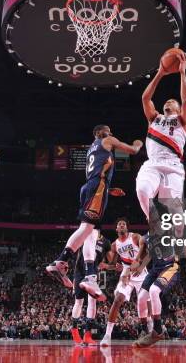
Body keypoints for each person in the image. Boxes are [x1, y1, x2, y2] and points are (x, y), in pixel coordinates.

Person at [46, 125, 142, 301]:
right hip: (97, 188)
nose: (111, 133)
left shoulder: (92, 149)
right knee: (87, 227)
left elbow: (97, 172)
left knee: (93, 232)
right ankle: (60, 261)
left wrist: (109, 189)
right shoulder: (107, 140)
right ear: (100, 133)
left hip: (93, 187)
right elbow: (133, 150)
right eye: (109, 130)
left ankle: (90, 277)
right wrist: (138, 143)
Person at [131, 218, 186, 347]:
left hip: (170, 267)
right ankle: (144, 330)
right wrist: (140, 265)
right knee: (141, 297)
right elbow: (147, 255)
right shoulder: (145, 238)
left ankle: (157, 331)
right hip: (155, 269)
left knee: (154, 291)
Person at [136, 51, 186, 224]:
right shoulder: (155, 118)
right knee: (142, 190)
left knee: (174, 210)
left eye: (172, 102)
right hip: (152, 163)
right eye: (166, 101)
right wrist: (160, 73)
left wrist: (182, 73)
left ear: (178, 108)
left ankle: (179, 237)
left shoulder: (182, 120)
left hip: (173, 165)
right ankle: (153, 221)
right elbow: (145, 98)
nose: (168, 102)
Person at [101, 217, 148, 347]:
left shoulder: (135, 237)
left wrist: (140, 265)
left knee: (144, 304)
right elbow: (112, 262)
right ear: (116, 229)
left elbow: (146, 252)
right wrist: (112, 266)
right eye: (119, 224)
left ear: (127, 227)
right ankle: (107, 335)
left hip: (140, 272)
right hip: (126, 273)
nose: (121, 225)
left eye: (124, 224)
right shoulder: (115, 245)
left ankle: (149, 329)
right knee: (117, 300)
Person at [69, 229, 112, 346]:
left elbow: (111, 258)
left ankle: (87, 335)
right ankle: (74, 329)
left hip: (94, 273)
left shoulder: (106, 242)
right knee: (79, 302)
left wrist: (110, 265)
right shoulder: (85, 235)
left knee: (93, 302)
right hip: (79, 272)